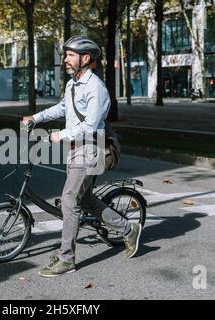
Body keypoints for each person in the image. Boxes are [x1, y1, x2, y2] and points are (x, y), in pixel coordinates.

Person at [23, 36, 142, 278]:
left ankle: (66, 258)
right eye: (65, 55)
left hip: (91, 148)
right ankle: (128, 229)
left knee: (69, 199)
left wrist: (60, 135)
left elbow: (90, 126)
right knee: (85, 200)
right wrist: (37, 117)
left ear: (85, 58)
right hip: (76, 149)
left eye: (70, 55)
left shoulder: (96, 88)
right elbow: (63, 108)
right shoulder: (73, 84)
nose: (65, 59)